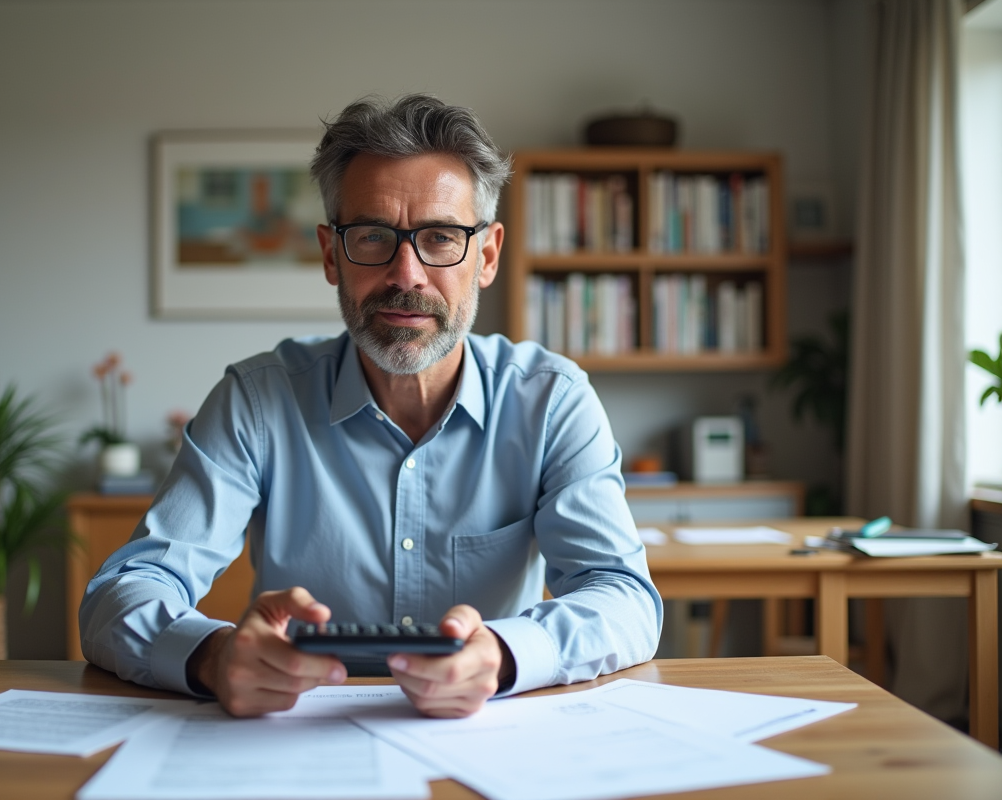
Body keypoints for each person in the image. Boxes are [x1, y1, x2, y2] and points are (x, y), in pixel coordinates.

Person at [80, 94, 662, 719]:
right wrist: (212, 657)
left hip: (486, 740)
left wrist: (505, 653)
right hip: (292, 743)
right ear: (332, 255)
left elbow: (623, 597)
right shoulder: (255, 401)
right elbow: (121, 594)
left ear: (486, 257)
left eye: (440, 238)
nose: (405, 273)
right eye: (372, 237)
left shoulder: (551, 400)